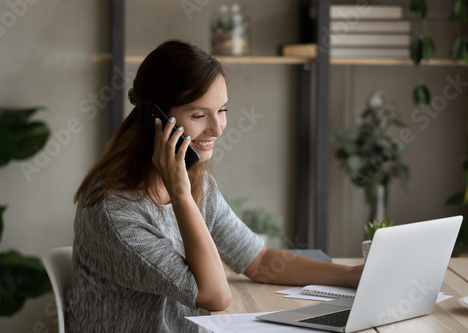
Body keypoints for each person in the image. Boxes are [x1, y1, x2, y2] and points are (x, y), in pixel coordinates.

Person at [65, 39, 362, 332]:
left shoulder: (196, 179)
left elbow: (257, 260)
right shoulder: (114, 210)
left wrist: (353, 276)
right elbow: (215, 295)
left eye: (222, 110)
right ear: (154, 118)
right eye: (198, 115)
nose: (217, 127)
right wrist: (181, 194)